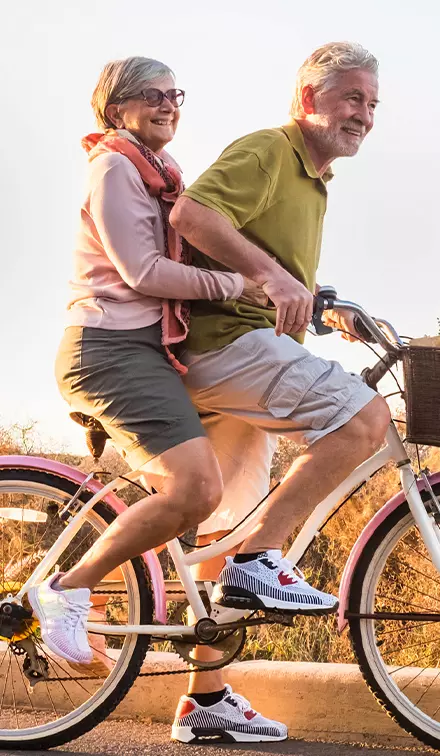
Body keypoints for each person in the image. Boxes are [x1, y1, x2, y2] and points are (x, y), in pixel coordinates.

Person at [28, 55, 291, 742]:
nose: (169, 104)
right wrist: (241, 286)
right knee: (195, 489)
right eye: (152, 94)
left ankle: (207, 699)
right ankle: (66, 591)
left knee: (223, 510)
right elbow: (142, 272)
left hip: (148, 354)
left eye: (176, 94)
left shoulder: (162, 174)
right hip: (108, 350)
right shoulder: (115, 166)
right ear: (114, 108)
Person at [168, 41, 392, 742]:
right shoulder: (271, 149)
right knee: (366, 417)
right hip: (223, 346)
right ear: (309, 99)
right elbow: (193, 217)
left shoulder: (315, 180)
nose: (364, 114)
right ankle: (265, 556)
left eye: (372, 103)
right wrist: (271, 277)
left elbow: (277, 270)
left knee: (221, 539)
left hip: (248, 354)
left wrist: (323, 303)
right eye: (352, 98)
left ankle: (205, 701)